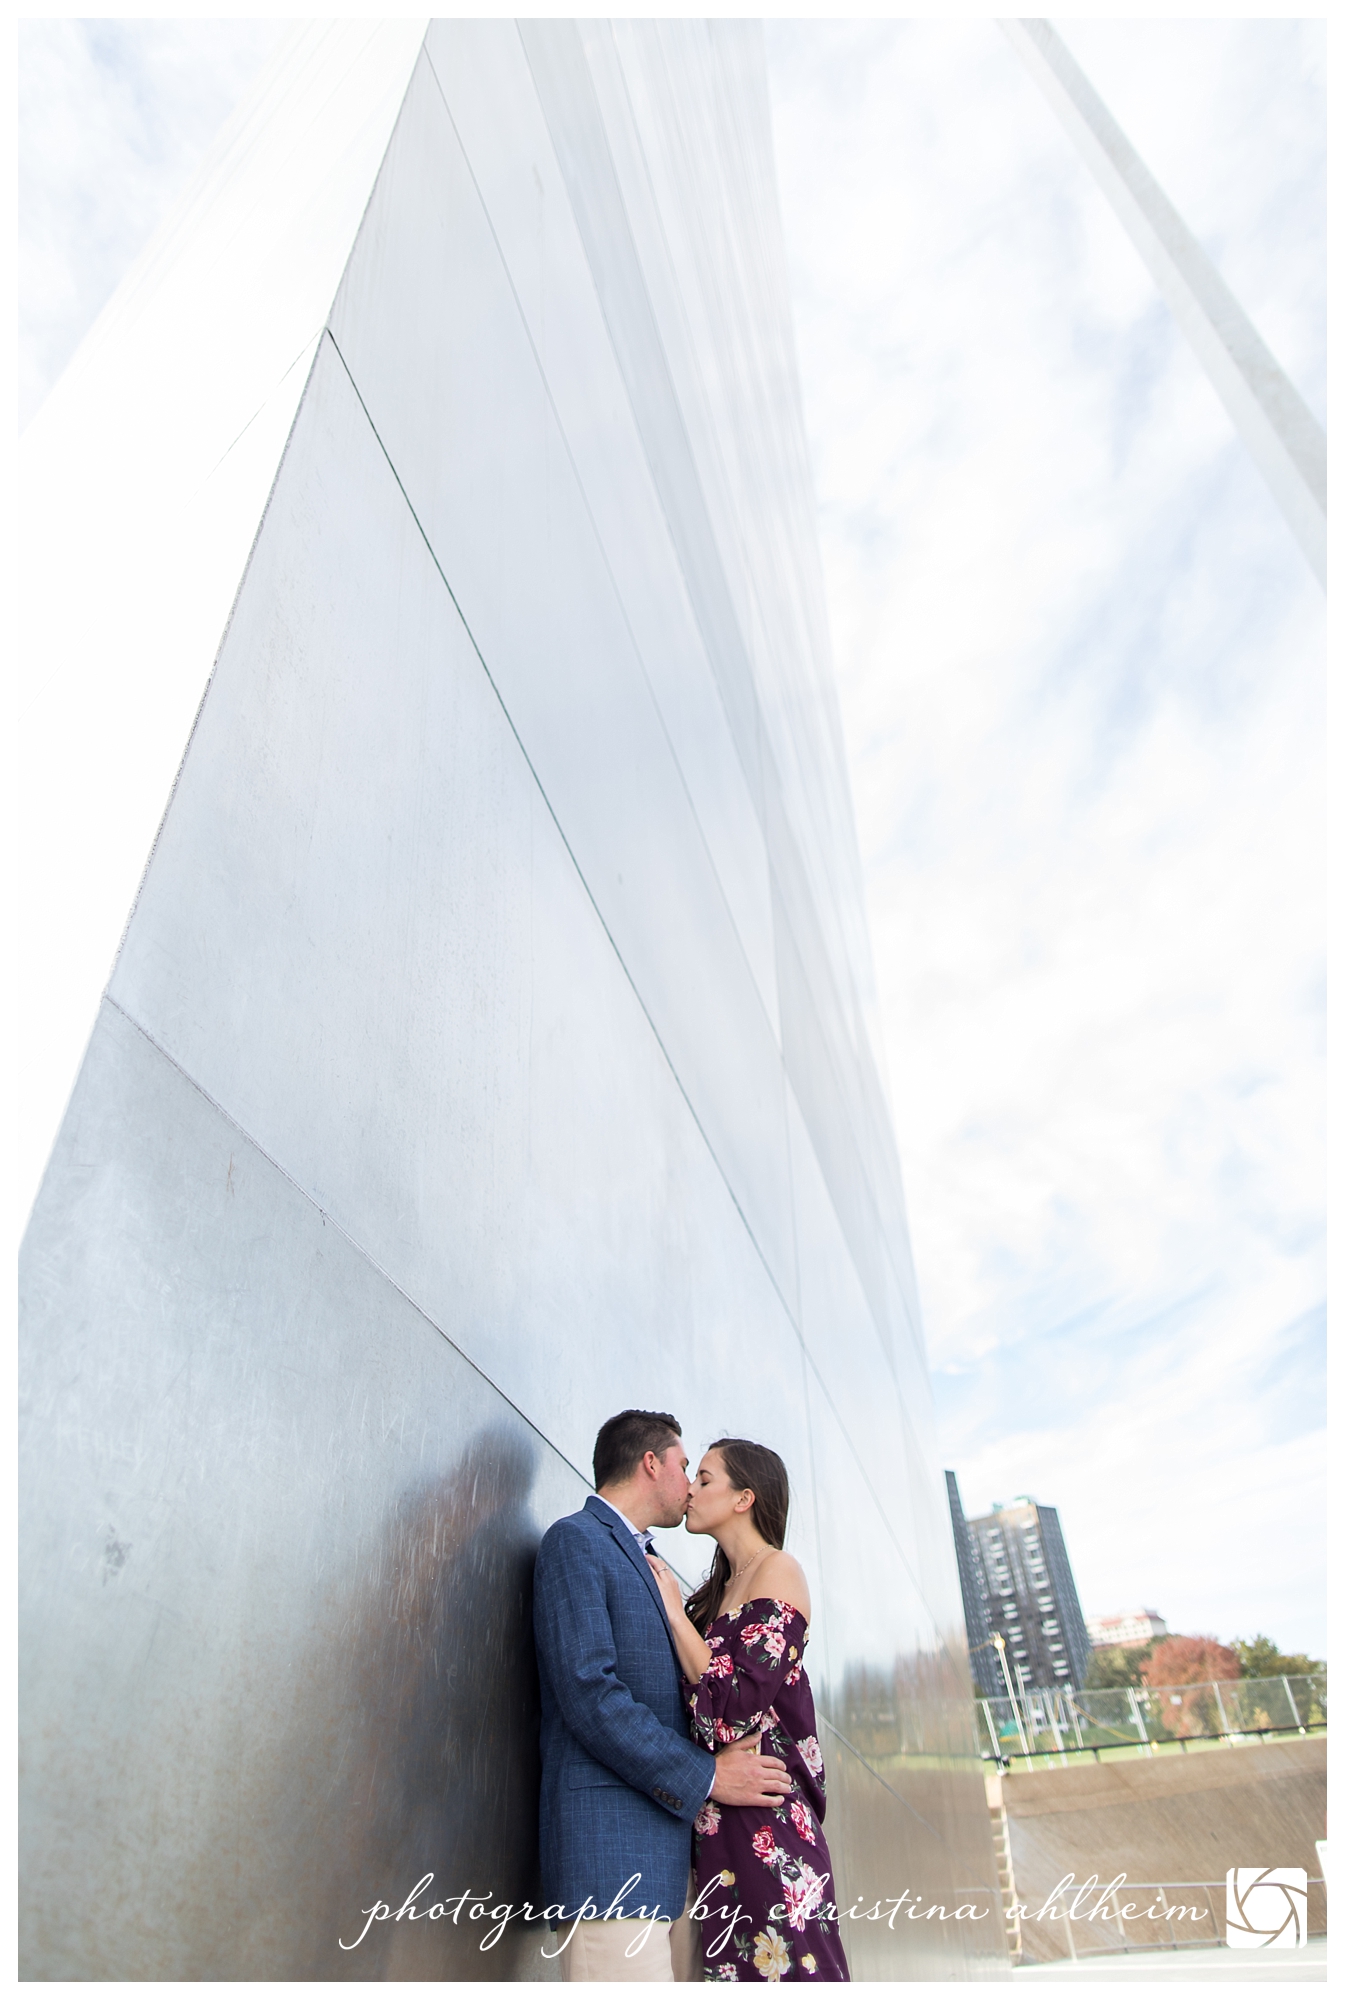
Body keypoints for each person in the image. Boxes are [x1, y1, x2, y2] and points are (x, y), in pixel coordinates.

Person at [533, 1411, 795, 1982]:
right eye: (685, 1467)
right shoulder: (575, 1542)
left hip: (670, 1864)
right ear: (651, 1463)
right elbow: (590, 1693)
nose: (690, 1485)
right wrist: (707, 1776)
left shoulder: (656, 1566)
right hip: (610, 1857)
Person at [645, 1439, 851, 1982]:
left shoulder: (779, 1571)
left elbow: (734, 1710)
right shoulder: (716, 1593)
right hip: (715, 1818)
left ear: (744, 1499)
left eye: (705, 1479)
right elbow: (699, 1711)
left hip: (768, 1816)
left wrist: (673, 1616)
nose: (689, 1488)